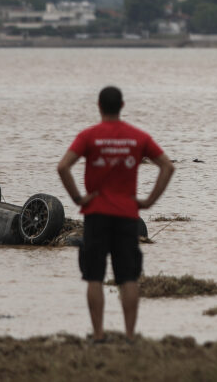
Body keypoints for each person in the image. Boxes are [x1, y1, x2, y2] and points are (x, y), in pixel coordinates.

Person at [57, 86, 175, 343]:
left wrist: (78, 198)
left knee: (94, 276)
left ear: (99, 106)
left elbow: (63, 166)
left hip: (96, 214)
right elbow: (167, 166)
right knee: (128, 277)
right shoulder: (138, 136)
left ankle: (98, 335)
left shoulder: (89, 136)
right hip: (127, 216)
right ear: (122, 106)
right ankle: (130, 336)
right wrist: (149, 201)